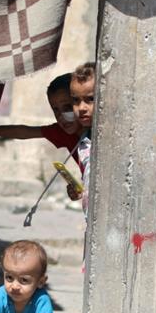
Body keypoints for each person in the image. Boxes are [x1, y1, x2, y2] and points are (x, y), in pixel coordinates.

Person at [0, 73, 83, 171]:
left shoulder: (94, 133)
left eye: (67, 107)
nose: (61, 117)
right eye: (56, 110)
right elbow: (25, 132)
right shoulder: (63, 132)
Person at [69, 62, 96, 210]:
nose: (81, 108)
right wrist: (80, 192)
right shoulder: (84, 142)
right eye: (75, 100)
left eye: (90, 99)